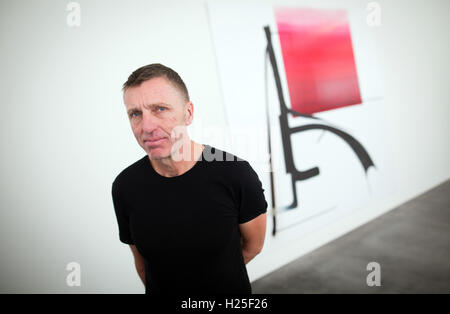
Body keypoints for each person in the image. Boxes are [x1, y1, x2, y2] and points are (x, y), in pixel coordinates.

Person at [111, 63, 268, 294]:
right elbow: (144, 265)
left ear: (189, 113)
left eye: (160, 109)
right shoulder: (124, 186)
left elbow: (253, 247)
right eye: (135, 114)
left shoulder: (236, 174)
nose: (147, 126)